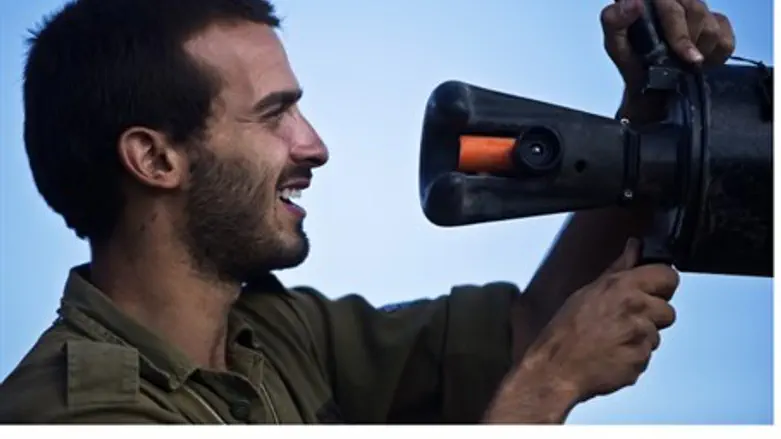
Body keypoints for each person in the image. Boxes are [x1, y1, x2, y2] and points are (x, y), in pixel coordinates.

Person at [0, 0, 735, 424]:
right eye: (273, 115)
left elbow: (523, 330)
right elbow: (535, 364)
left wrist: (647, 123)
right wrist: (542, 392)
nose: (313, 145)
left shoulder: (273, 334)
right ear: (155, 160)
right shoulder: (75, 416)